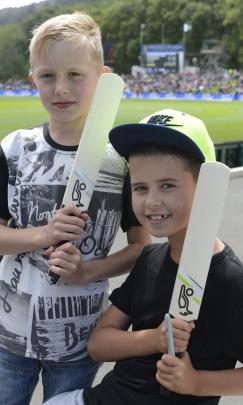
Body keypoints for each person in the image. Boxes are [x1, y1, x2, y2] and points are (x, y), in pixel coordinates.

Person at [0, 11, 150, 404]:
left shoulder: (119, 161)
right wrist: (45, 234)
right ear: (33, 79)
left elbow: (139, 247)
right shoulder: (13, 149)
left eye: (75, 75)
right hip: (8, 337)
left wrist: (87, 271)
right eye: (48, 76)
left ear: (101, 78)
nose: (60, 88)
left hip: (78, 340)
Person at [44, 109, 243, 405]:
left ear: (205, 187)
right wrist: (154, 339)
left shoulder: (230, 281)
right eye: (140, 188)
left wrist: (198, 382)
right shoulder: (150, 258)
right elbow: (99, 345)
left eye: (167, 185)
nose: (151, 201)